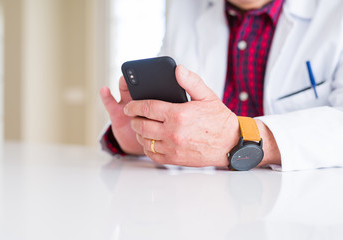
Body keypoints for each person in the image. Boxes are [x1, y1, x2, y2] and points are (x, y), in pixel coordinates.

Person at [100, 0, 343, 171]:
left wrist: (240, 138)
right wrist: (144, 138)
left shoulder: (335, 13)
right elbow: (180, 119)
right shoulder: (184, 8)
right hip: (201, 205)